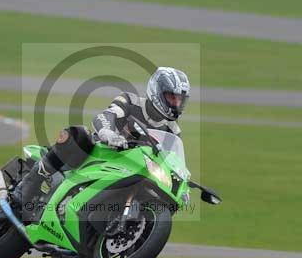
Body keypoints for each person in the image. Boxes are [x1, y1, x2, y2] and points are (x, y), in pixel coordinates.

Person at [10, 67, 190, 217]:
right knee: (79, 134)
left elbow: (174, 160)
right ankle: (26, 187)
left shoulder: (173, 130)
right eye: (171, 97)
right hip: (102, 152)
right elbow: (106, 115)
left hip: (133, 167)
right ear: (157, 91)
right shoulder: (130, 101)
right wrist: (108, 133)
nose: (175, 104)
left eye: (180, 100)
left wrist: (184, 187)